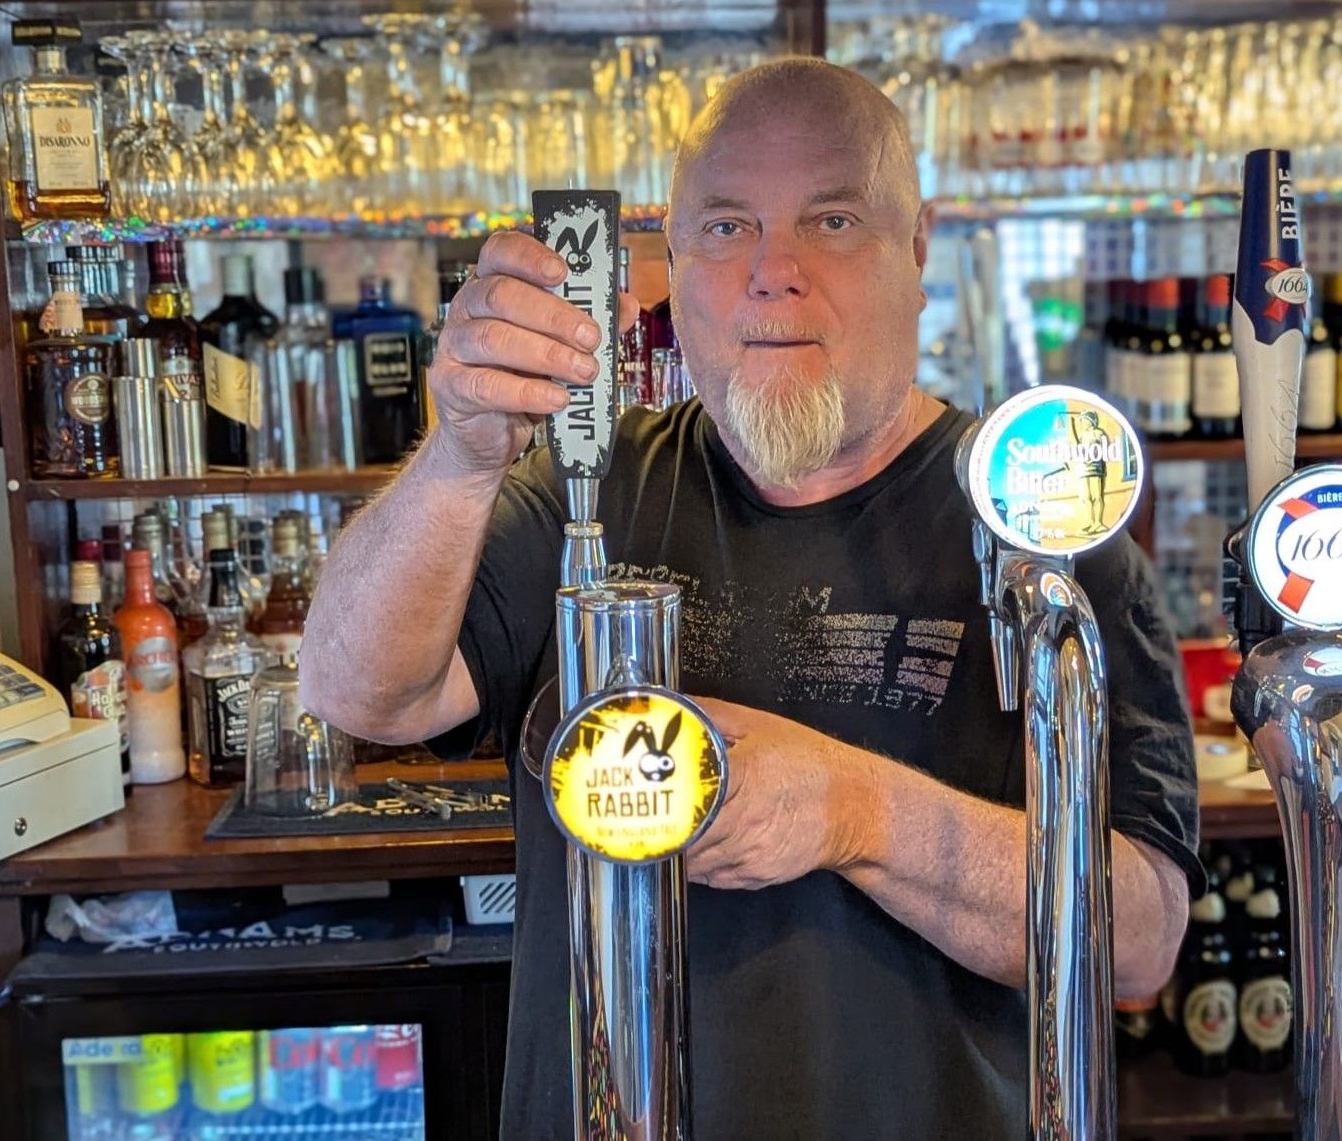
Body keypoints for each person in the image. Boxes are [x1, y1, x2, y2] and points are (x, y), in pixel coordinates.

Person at [302, 57, 1199, 1141]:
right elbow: (362, 694)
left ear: (918, 249)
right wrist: (458, 454)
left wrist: (851, 811)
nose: (773, 274)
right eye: (726, 228)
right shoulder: (583, 485)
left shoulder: (1042, 517)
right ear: (670, 264)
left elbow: (1141, 940)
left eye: (830, 219)